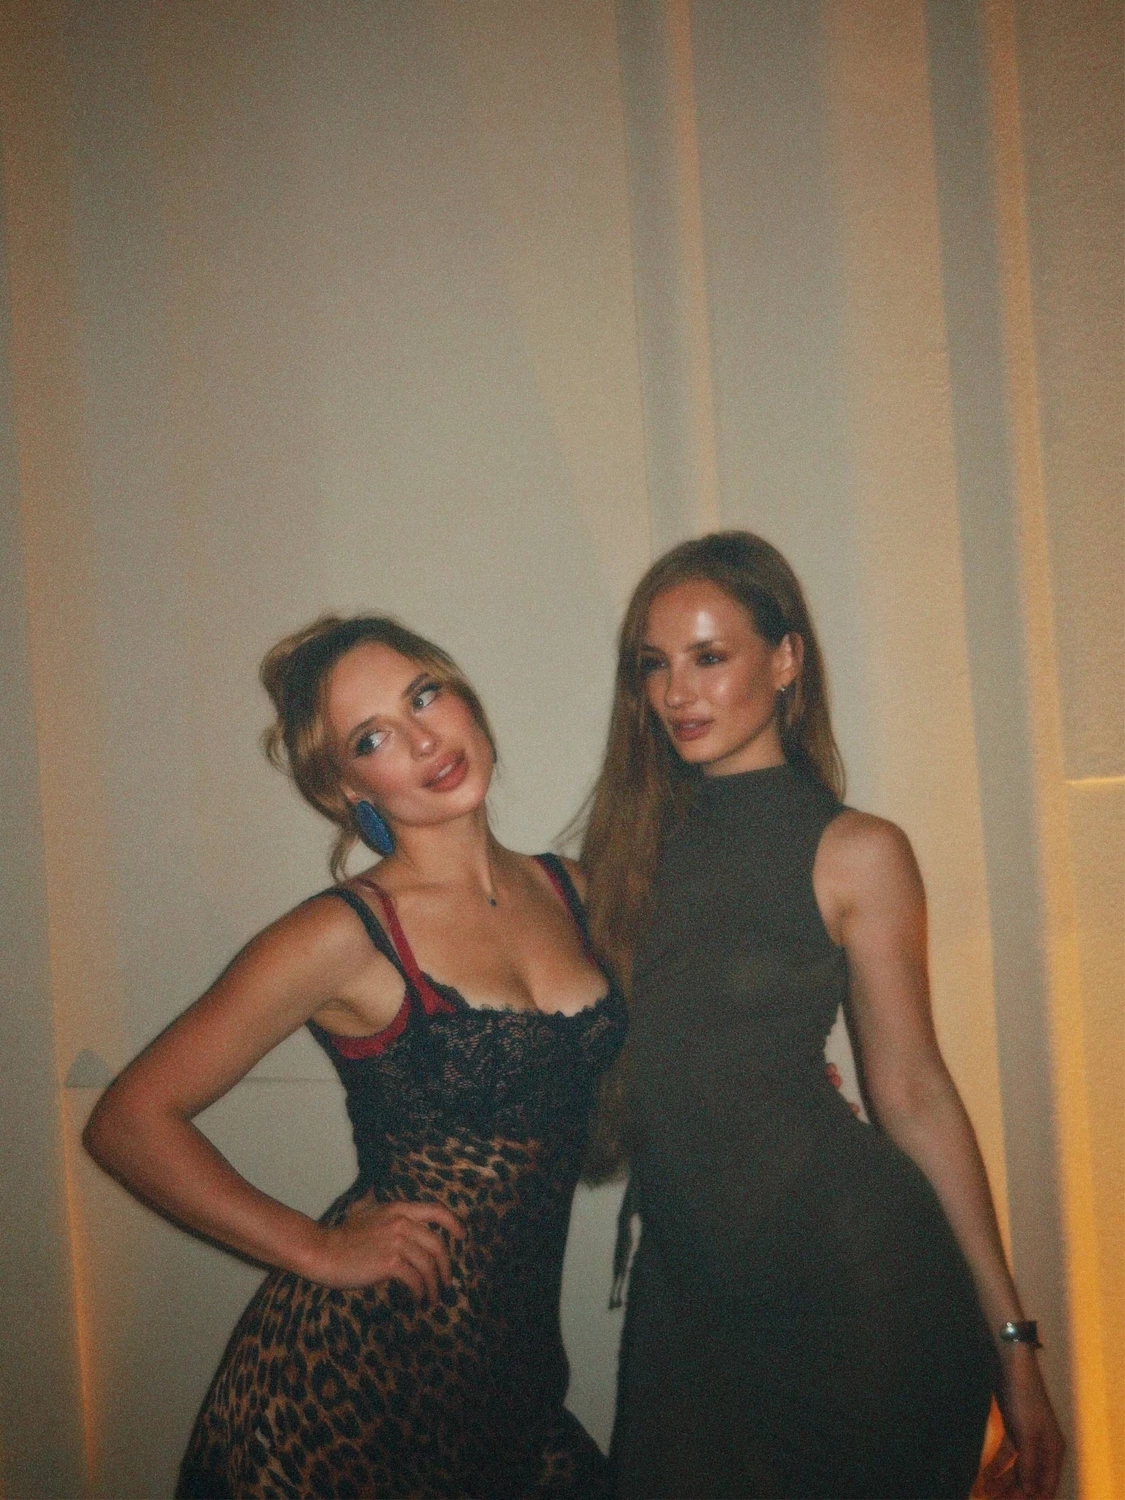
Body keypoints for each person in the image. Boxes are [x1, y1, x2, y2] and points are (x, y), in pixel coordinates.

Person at [84, 614, 626, 1500]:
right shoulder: (342, 933)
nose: (423, 740)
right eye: (371, 738)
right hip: (352, 1394)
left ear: (463, 697)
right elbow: (128, 1123)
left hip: (510, 1380)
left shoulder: (573, 889)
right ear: (345, 788)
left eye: (424, 696)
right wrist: (315, 1248)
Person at [579, 533, 1064, 1500]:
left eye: (709, 657)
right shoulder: (621, 855)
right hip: (685, 1298)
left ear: (785, 659)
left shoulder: (856, 851)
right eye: (655, 665)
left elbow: (914, 1093)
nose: (677, 692)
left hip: (853, 1292)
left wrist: (1013, 1342)